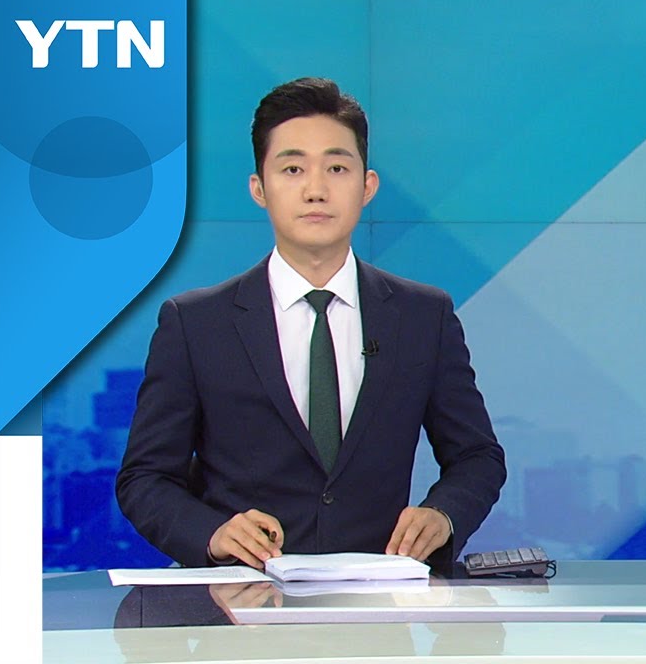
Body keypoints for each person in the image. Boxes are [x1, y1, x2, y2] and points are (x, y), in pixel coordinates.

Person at [117, 77, 506, 569]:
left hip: (380, 597)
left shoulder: (423, 317)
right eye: (293, 168)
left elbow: (477, 456)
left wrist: (443, 515)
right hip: (239, 598)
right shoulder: (195, 324)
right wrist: (213, 534)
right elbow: (145, 478)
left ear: (367, 186)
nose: (316, 190)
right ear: (259, 188)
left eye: (337, 168)